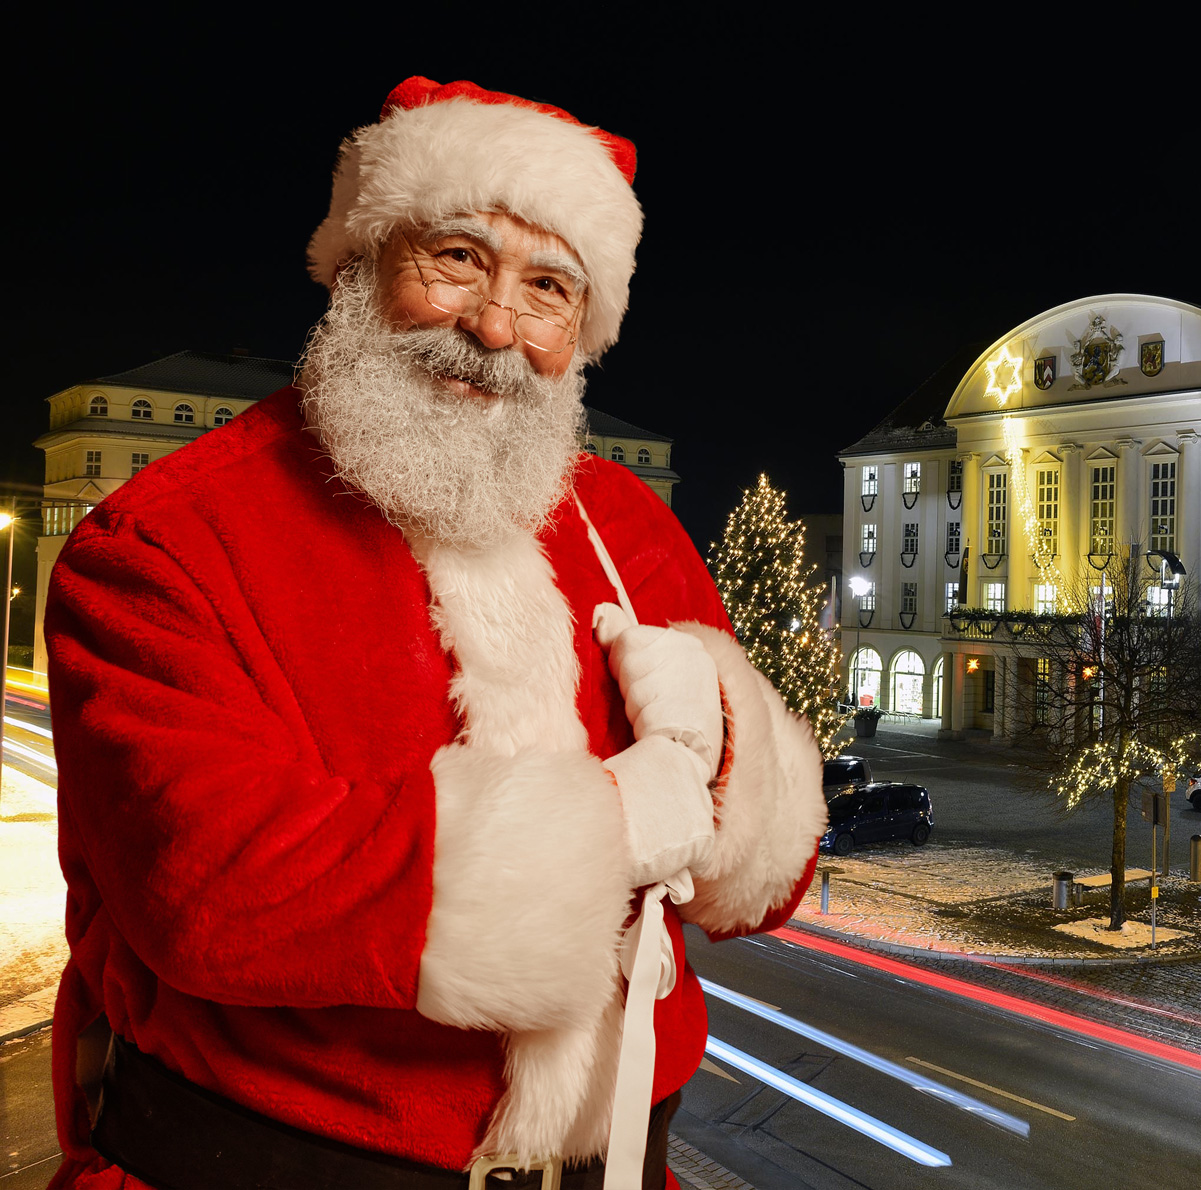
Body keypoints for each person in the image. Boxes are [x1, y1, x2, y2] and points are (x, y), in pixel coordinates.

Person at [44, 78, 826, 1190]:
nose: (496, 327)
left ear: (582, 330)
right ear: (361, 263)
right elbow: (206, 886)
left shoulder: (629, 527)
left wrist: (733, 765)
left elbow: (762, 891)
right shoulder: (165, 536)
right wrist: (605, 828)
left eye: (548, 288)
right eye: (456, 258)